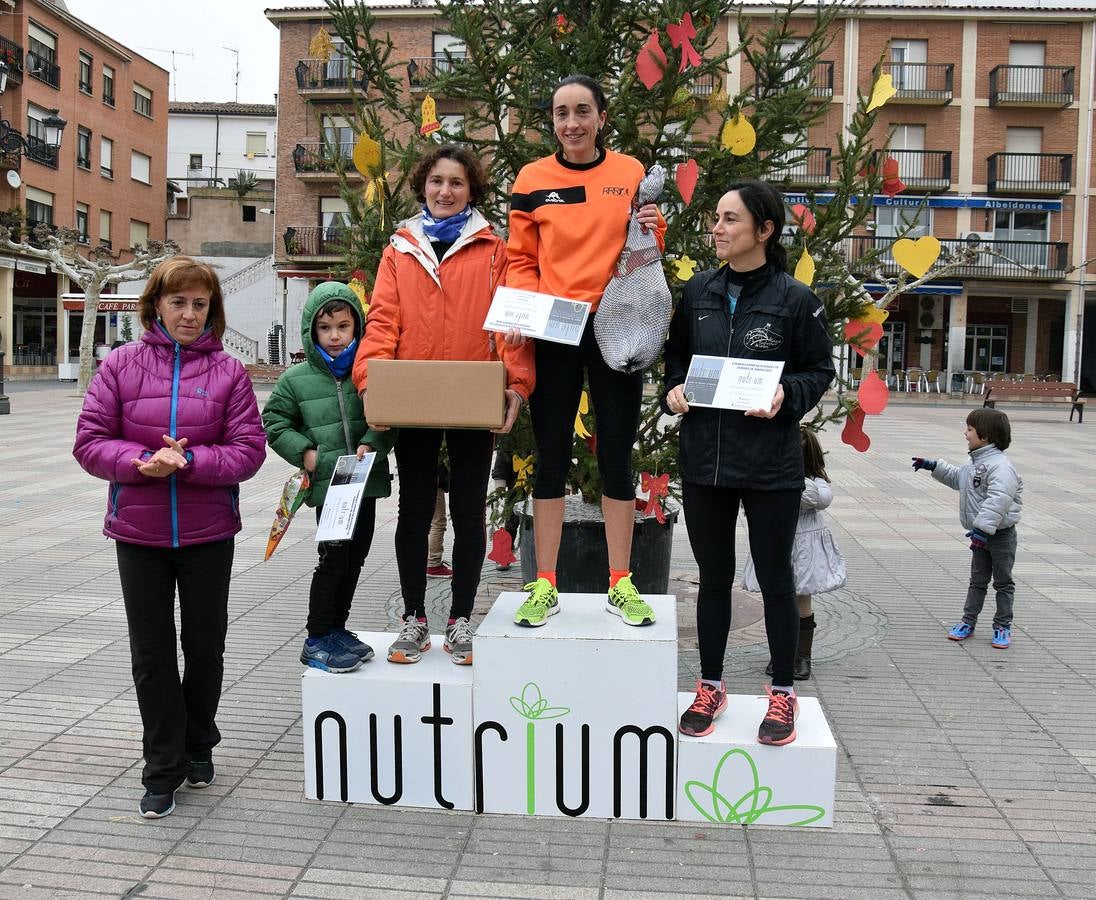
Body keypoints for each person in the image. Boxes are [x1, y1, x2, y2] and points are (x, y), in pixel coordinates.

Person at [72, 256, 266, 819]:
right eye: (177, 302)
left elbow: (248, 451)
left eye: (199, 304)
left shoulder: (229, 373)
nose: (188, 314)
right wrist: (140, 462)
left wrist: (190, 461)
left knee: (204, 647)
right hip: (139, 533)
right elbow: (89, 442)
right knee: (151, 654)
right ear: (156, 303)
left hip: (209, 533)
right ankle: (163, 765)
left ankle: (199, 743)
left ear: (213, 309)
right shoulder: (119, 367)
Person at [663, 180, 834, 745]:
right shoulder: (696, 293)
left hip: (770, 463)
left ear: (764, 230)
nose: (717, 228)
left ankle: (782, 693)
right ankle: (710, 685)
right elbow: (677, 363)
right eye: (716, 217)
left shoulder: (795, 300)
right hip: (705, 460)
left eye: (730, 220)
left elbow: (818, 371)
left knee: (775, 577)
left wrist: (789, 394)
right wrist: (673, 393)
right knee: (714, 579)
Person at [353, 143, 533, 666]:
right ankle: (414, 619)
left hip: (473, 394)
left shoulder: (494, 249)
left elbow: (510, 324)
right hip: (415, 395)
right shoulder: (400, 248)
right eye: (436, 182)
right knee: (413, 510)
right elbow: (383, 321)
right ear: (422, 187)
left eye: (456, 183)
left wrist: (515, 385)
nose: (445, 191)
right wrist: (372, 384)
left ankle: (459, 621)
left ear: (471, 189)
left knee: (469, 512)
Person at [506, 73, 666, 628]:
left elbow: (645, 245)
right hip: (556, 328)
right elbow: (520, 258)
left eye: (582, 111)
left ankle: (621, 582)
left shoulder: (629, 172)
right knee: (551, 456)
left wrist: (655, 227)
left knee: (617, 454)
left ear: (601, 117)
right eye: (560, 113)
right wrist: (526, 313)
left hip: (616, 325)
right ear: (552, 120)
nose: (571, 123)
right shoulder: (532, 179)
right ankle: (544, 583)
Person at [262, 282, 394, 674]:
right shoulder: (296, 379)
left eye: (343, 326)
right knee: (334, 559)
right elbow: (274, 421)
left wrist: (373, 443)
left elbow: (390, 416)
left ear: (357, 327)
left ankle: (337, 627)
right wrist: (306, 453)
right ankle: (317, 636)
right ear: (311, 330)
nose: (335, 336)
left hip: (364, 483)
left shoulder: (369, 372)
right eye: (325, 328)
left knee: (356, 557)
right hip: (331, 487)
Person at [912, 408, 1022, 649]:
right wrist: (933, 466)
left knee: (1003, 582)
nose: (965, 433)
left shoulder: (1000, 467)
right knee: (977, 580)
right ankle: (967, 621)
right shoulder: (974, 462)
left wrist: (982, 530)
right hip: (979, 536)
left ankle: (1002, 625)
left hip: (1000, 536)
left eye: (970, 429)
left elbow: (999, 500)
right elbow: (958, 478)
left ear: (986, 435)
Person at [743, 426, 847, 680]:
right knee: (775, 600)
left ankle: (802, 656)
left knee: (802, 599)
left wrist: (794, 478)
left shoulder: (815, 483)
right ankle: (779, 654)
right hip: (775, 542)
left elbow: (822, 498)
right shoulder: (768, 477)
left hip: (805, 552)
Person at [426, 460, 453, 578]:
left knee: (424, 521)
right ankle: (433, 564)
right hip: (434, 481)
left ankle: (427, 561)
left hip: (420, 478)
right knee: (438, 522)